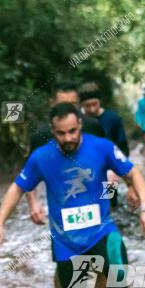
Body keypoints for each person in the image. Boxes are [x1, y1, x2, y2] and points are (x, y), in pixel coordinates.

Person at [0, 103, 145, 288]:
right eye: (61, 133)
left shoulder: (101, 147)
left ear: (80, 125)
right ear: (52, 131)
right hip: (67, 243)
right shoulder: (41, 157)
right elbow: (18, 188)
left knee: (119, 275)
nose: (68, 138)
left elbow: (133, 173)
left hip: (101, 231)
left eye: (72, 131)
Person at [26, 83, 106, 223]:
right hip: (63, 202)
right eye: (63, 104)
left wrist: (110, 197)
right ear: (52, 104)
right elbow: (28, 175)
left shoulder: (93, 126)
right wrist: (34, 204)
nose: (69, 110)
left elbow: (111, 166)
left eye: (73, 105)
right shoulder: (40, 136)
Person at [79, 82, 137, 209]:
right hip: (84, 170)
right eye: (87, 106)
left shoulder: (113, 119)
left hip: (109, 171)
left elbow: (123, 147)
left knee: (108, 206)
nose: (92, 109)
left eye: (95, 104)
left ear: (100, 101)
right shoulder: (78, 121)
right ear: (81, 105)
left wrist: (117, 170)